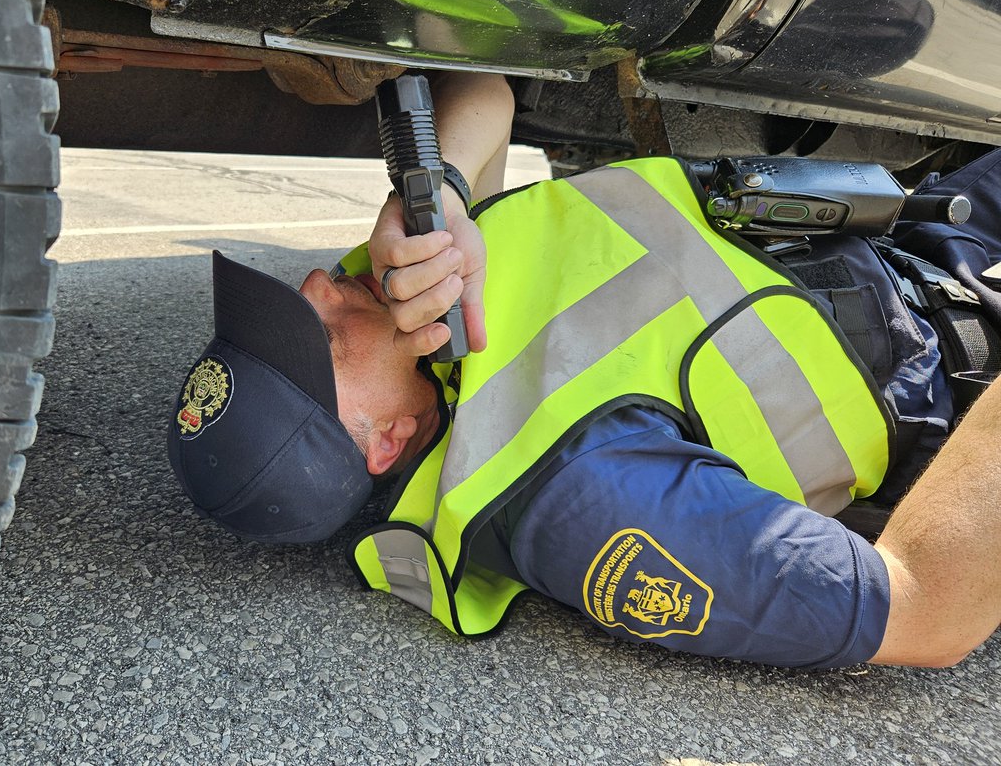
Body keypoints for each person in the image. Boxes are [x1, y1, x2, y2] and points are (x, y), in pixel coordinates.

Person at [168, 72, 1001, 670]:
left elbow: (487, 91)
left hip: (915, 243)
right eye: (321, 341)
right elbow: (924, 611)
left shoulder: (435, 328)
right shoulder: (580, 502)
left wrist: (442, 190)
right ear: (386, 441)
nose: (315, 284)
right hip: (961, 343)